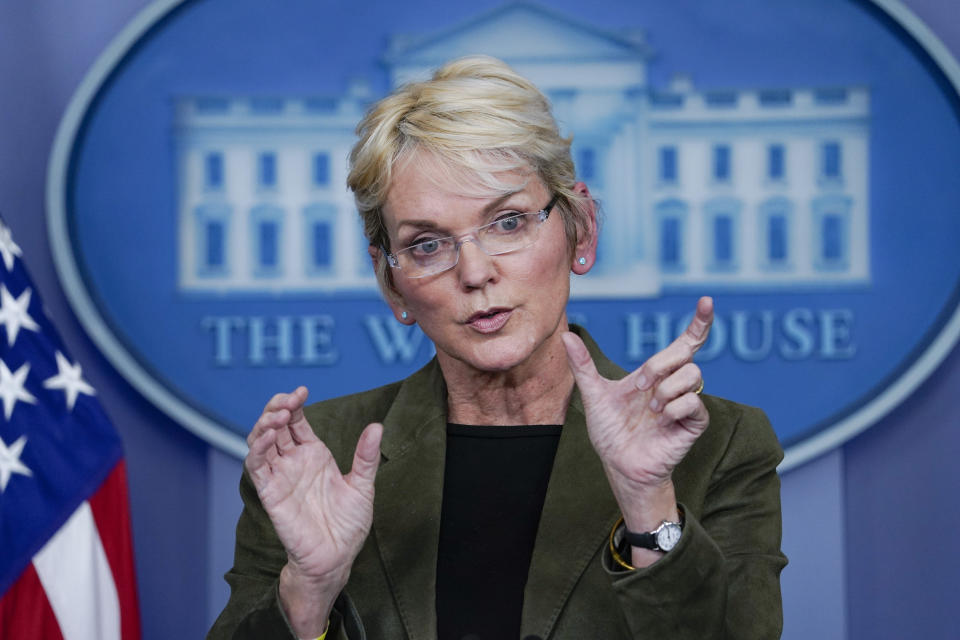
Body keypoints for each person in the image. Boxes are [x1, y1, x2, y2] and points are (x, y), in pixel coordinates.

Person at [208, 55, 786, 640]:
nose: (476, 271)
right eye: (429, 244)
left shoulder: (719, 447)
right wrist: (308, 590)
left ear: (579, 229)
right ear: (391, 283)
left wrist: (649, 510)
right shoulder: (317, 453)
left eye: (508, 222)